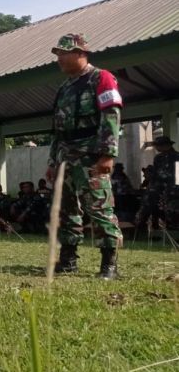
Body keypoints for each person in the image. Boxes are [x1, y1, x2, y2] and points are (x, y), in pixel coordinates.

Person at [48, 33, 124, 280]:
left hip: (90, 155)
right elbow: (57, 129)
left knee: (99, 206)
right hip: (65, 156)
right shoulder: (64, 88)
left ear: (80, 53)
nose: (59, 58)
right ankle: (68, 260)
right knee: (66, 209)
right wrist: (52, 161)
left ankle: (109, 264)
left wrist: (107, 154)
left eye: (64, 53)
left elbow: (111, 115)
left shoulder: (101, 78)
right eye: (58, 54)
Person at [135, 136, 179, 231]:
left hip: (172, 189)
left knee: (172, 209)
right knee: (149, 205)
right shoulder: (158, 158)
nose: (156, 147)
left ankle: (173, 228)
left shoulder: (177, 157)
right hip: (157, 188)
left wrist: (174, 189)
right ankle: (145, 227)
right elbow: (155, 174)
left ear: (166, 145)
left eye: (158, 145)